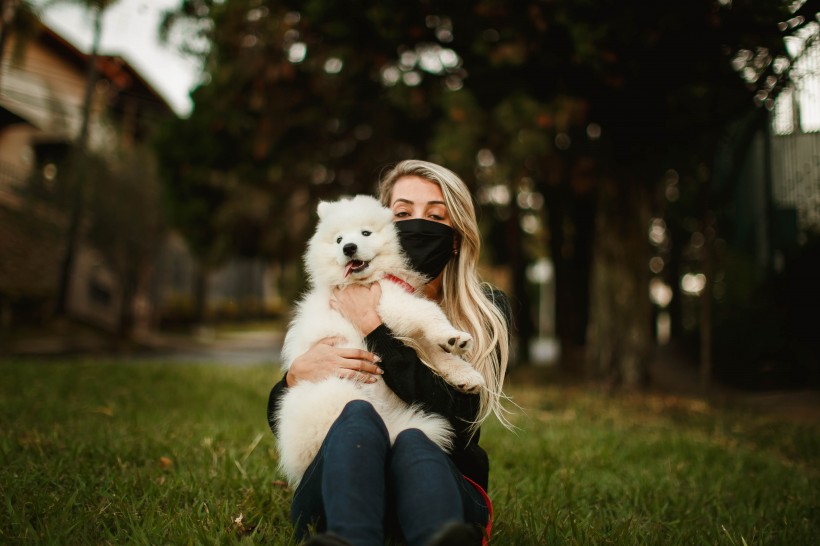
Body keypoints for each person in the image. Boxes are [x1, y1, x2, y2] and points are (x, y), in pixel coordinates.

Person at [267, 160, 512, 546]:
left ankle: (441, 538)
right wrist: (295, 376)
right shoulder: (331, 297)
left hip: (439, 485)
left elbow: (460, 422)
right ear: (384, 222)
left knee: (416, 436)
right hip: (343, 488)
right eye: (403, 213)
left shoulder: (485, 310)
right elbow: (290, 416)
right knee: (357, 415)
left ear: (455, 236)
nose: (417, 225)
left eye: (435, 215)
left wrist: (374, 329)